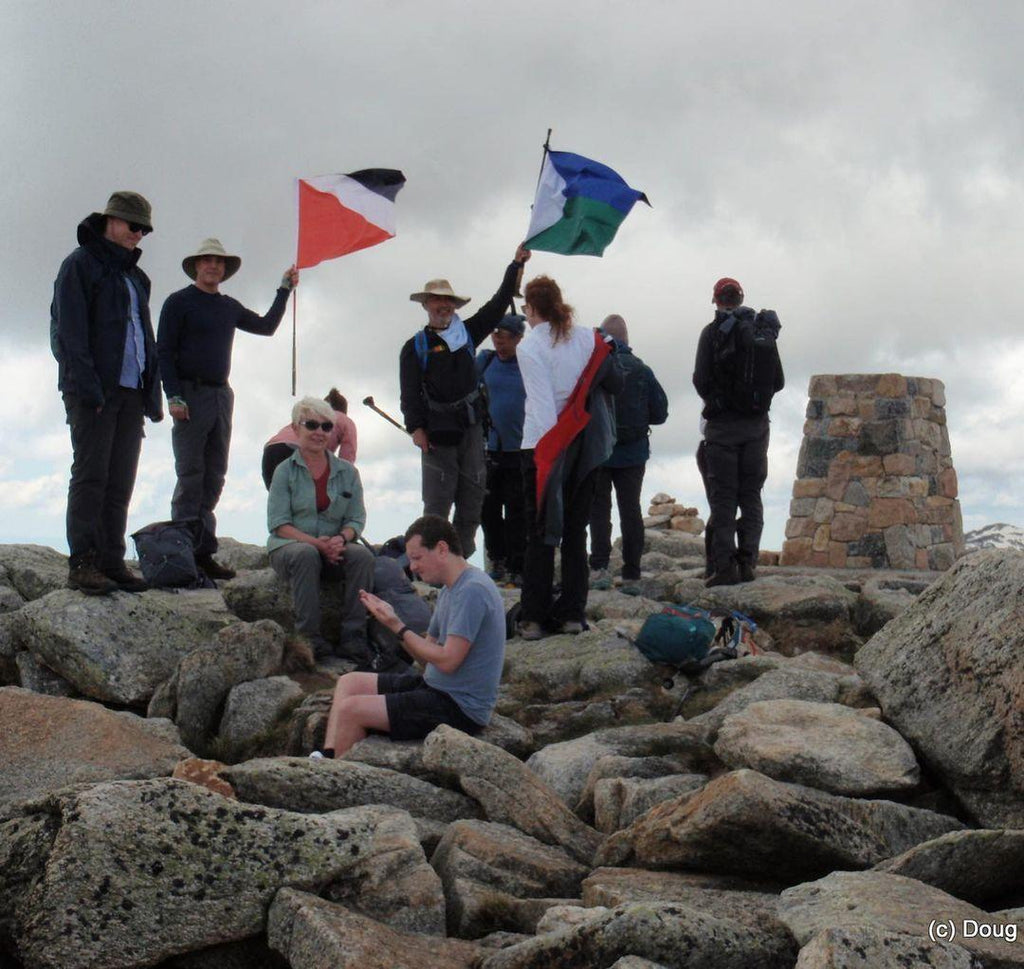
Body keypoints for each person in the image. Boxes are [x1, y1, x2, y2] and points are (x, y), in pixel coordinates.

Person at [158, 238, 298, 580]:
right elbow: (163, 351)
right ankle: (182, 554)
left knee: (215, 475)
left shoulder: (228, 306)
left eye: (218, 262)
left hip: (222, 395)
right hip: (189, 394)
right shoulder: (178, 302)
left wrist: (284, 289)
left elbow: (266, 327)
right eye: (207, 261)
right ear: (196, 266)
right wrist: (173, 395)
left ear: (224, 269)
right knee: (191, 475)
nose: (213, 266)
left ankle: (202, 552)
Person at [315, 515, 505, 757]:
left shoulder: (472, 590)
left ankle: (337, 776)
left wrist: (399, 627)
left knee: (352, 709)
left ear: (442, 549)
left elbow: (448, 661)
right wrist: (392, 622)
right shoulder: (450, 590)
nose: (412, 566)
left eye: (417, 558)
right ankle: (328, 756)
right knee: (349, 682)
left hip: (458, 707)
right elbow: (428, 658)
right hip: (434, 686)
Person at [50, 190, 163, 595]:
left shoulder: (137, 278)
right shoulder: (79, 265)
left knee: (120, 479)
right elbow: (69, 333)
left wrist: (153, 394)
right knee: (91, 474)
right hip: (94, 392)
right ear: (110, 222)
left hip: (132, 391)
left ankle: (112, 561)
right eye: (134, 225)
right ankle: (82, 562)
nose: (139, 234)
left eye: (144, 229)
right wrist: (88, 391)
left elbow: (144, 339)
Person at [399, 246, 530, 558]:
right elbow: (409, 393)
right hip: (436, 432)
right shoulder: (415, 347)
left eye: (448, 300)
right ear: (426, 305)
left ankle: (458, 561)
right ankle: (431, 565)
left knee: (472, 497)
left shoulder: (468, 333)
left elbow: (499, 304)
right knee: (437, 502)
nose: (443, 305)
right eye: (437, 300)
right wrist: (416, 428)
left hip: (472, 428)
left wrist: (515, 265)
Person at [516, 276, 622, 641]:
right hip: (586, 444)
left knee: (541, 533)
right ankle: (572, 614)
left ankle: (533, 617)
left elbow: (543, 406)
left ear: (530, 308)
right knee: (576, 532)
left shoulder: (530, 346)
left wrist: (550, 456)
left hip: (544, 446)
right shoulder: (586, 337)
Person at [267, 396, 375, 663]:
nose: (319, 432)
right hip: (291, 549)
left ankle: (353, 637)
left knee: (362, 557)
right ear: (296, 428)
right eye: (311, 425)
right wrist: (317, 545)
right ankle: (309, 639)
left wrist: (340, 539)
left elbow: (356, 519)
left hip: (334, 547)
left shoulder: (348, 473)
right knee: (305, 554)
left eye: (326, 427)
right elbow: (279, 524)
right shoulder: (284, 471)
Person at [692, 277, 784, 586]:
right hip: (756, 430)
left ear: (716, 300)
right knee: (751, 497)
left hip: (721, 432)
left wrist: (720, 400)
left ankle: (725, 568)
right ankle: (748, 564)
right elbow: (779, 381)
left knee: (724, 500)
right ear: (741, 298)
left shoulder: (711, 333)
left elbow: (700, 380)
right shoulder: (761, 335)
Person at [588, 314, 669, 594]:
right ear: (627, 339)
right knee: (630, 511)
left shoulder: (594, 367)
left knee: (599, 512)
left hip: (598, 452)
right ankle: (632, 574)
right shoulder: (642, 370)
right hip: (633, 453)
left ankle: (598, 569)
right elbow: (661, 414)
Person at [477, 313, 528, 585]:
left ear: (519, 339)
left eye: (506, 337)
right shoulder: (484, 362)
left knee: (518, 509)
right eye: (496, 336)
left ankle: (518, 565)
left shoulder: (529, 366)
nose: (500, 343)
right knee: (489, 507)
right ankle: (497, 558)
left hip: (520, 450)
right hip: (490, 449)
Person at [262, 387, 357, 488]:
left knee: (281, 498)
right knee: (310, 498)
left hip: (270, 452)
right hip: (296, 453)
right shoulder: (345, 421)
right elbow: (348, 455)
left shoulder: (309, 416)